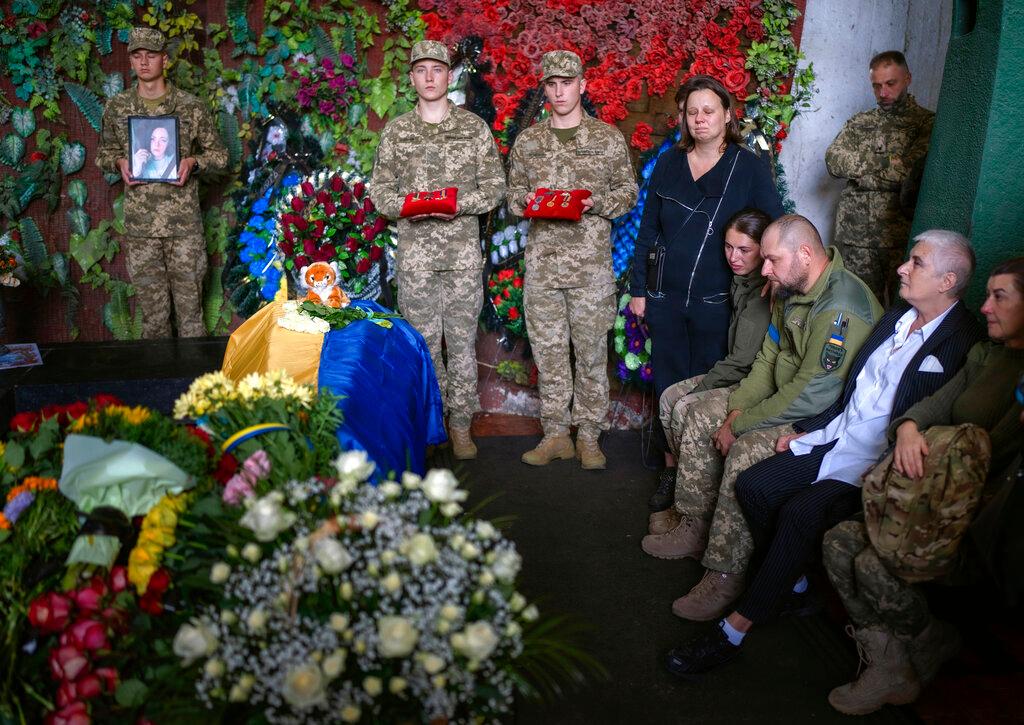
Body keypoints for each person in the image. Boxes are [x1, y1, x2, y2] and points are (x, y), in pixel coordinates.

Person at [661, 230, 984, 680]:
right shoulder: (897, 317)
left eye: (916, 263)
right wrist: (806, 433)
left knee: (798, 513)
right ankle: (793, 583)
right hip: (839, 437)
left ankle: (732, 631)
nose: (902, 268)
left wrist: (898, 442)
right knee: (753, 486)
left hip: (877, 462)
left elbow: (940, 412)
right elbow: (850, 394)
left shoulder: (962, 338)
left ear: (948, 280)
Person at [642, 214, 882, 621]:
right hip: (779, 394)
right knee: (702, 417)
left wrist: (740, 425)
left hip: (818, 415)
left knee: (746, 452)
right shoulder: (792, 287)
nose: (764, 270)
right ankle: (697, 525)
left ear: (805, 254)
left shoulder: (840, 307)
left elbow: (811, 393)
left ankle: (725, 571)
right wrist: (738, 407)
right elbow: (769, 359)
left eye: (772, 260)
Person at [821, 257, 1024, 715]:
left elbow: (996, 459)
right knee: (837, 542)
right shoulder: (984, 354)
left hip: (971, 510)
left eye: (1000, 296)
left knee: (871, 565)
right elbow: (938, 403)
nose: (986, 307)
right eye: (987, 294)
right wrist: (910, 427)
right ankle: (895, 658)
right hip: (929, 487)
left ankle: (926, 642)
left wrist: (941, 461)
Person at [631, 75, 784, 493]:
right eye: (692, 111)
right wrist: (639, 291)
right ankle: (669, 468)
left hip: (720, 302)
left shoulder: (748, 167)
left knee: (707, 382)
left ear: (728, 115)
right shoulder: (668, 163)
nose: (699, 119)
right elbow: (647, 232)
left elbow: (773, 226)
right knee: (667, 380)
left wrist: (771, 277)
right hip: (665, 296)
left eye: (709, 110)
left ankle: (696, 477)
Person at [369, 40, 506, 460]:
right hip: (416, 262)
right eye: (421, 70)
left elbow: (495, 187)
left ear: (450, 76)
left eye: (437, 70)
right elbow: (380, 192)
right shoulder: (397, 132)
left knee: (462, 345)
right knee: (424, 347)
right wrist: (411, 206)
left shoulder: (472, 129)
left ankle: (462, 425)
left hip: (462, 258)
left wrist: (454, 205)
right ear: (411, 78)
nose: (429, 77)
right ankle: (432, 426)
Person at [506, 50, 638, 469]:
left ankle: (590, 437)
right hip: (544, 268)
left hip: (590, 272)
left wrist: (597, 202)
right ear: (544, 89)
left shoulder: (606, 138)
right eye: (552, 84)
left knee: (592, 354)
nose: (560, 91)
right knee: (548, 355)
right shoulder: (529, 141)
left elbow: (627, 193)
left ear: (583, 85)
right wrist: (527, 201)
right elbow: (511, 198)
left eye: (567, 82)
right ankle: (556, 435)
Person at [96, 27, 228, 339]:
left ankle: (197, 387)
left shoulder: (190, 106)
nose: (144, 62)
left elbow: (221, 157)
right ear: (130, 61)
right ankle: (155, 387)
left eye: (151, 55)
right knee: (153, 323)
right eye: (137, 55)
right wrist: (119, 162)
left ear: (164, 60)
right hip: (142, 229)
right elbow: (103, 153)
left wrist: (193, 162)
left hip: (184, 228)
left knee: (192, 320)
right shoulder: (117, 107)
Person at [648, 207, 773, 525]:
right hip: (737, 370)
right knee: (668, 397)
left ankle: (695, 512)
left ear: (765, 249)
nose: (734, 257)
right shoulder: (741, 279)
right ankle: (686, 483)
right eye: (728, 247)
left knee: (686, 405)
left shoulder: (764, 291)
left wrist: (703, 389)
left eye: (744, 249)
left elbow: (741, 362)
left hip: (751, 379)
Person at [826, 50, 935, 306]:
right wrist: (886, 164)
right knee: (852, 309)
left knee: (903, 312)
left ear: (907, 79)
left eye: (890, 84)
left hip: (898, 236)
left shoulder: (925, 122)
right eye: (876, 86)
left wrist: (859, 175)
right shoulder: (860, 122)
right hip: (854, 236)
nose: (883, 93)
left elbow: (909, 172)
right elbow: (833, 161)